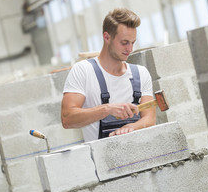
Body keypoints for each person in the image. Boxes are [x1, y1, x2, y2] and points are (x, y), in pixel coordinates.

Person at [61, 8, 156, 142]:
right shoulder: (83, 71)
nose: (130, 49)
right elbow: (67, 119)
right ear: (106, 37)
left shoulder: (141, 74)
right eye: (124, 43)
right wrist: (106, 109)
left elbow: (150, 118)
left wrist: (133, 127)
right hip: (102, 161)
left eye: (132, 43)